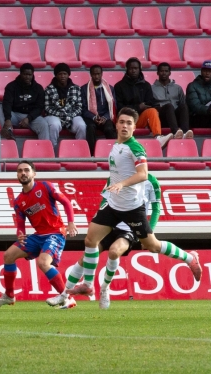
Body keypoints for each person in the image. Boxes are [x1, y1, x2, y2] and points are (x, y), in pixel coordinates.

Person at [63, 108, 201, 302]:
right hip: (113, 205)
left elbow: (143, 174)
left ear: (135, 127)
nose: (125, 126)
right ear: (116, 124)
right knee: (89, 240)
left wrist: (122, 184)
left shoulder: (135, 148)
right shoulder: (115, 146)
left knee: (152, 245)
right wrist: (111, 188)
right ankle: (87, 284)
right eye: (122, 122)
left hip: (132, 208)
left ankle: (190, 258)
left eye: (129, 123)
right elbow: (116, 173)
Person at [47, 174, 160, 310]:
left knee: (114, 251)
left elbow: (156, 209)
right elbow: (104, 201)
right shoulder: (115, 175)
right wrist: (99, 222)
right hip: (111, 226)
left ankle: (105, 289)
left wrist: (149, 233)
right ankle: (64, 295)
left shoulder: (151, 181)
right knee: (85, 257)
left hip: (131, 227)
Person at [0, 161, 78, 308]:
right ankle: (9, 296)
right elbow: (20, 223)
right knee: (8, 255)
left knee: (43, 263)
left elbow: (66, 202)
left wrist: (71, 222)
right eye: (19, 171)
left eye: (26, 170)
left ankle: (67, 297)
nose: (23, 173)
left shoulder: (46, 186)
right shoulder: (18, 201)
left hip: (55, 232)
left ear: (34, 173)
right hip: (38, 236)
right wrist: (21, 235)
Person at [113, 57, 173, 148]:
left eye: (136, 68)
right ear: (127, 69)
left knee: (152, 110)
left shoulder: (146, 85)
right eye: (131, 68)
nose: (133, 71)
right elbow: (120, 107)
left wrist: (148, 106)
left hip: (141, 118)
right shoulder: (119, 86)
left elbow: (150, 102)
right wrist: (138, 107)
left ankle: (158, 138)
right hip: (126, 119)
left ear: (139, 69)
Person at [0, 63, 50, 141]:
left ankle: (44, 150)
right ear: (21, 74)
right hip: (15, 115)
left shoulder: (38, 88)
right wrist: (8, 119)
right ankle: (8, 132)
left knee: (44, 125)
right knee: (0, 110)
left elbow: (39, 107)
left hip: (31, 117)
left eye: (29, 75)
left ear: (32, 75)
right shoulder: (11, 86)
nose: (27, 77)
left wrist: (28, 118)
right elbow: (7, 103)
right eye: (25, 74)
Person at [44, 63, 86, 147]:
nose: (62, 76)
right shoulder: (49, 89)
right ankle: (52, 150)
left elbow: (79, 107)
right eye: (60, 74)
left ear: (68, 75)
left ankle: (80, 150)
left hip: (72, 115)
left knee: (81, 125)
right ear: (56, 75)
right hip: (54, 115)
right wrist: (61, 115)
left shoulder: (76, 88)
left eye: (65, 74)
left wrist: (69, 115)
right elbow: (47, 107)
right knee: (54, 124)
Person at [80, 65, 117, 154]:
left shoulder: (110, 88)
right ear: (91, 74)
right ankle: (92, 154)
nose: (96, 76)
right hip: (91, 117)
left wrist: (105, 117)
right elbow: (83, 108)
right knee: (90, 128)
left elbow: (113, 107)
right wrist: (93, 117)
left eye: (98, 74)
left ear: (102, 74)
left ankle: (114, 153)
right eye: (94, 74)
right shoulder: (84, 89)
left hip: (105, 116)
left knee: (109, 128)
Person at [152, 62, 193, 140]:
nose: (164, 73)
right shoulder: (152, 88)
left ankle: (185, 133)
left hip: (175, 116)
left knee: (183, 106)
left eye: (166, 71)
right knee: (169, 106)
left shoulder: (177, 88)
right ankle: (175, 132)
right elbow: (151, 106)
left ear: (170, 73)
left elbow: (182, 103)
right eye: (161, 71)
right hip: (162, 117)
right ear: (157, 73)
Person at [186, 60, 211, 129]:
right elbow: (195, 107)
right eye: (205, 71)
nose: (207, 73)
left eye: (209, 71)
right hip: (197, 118)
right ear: (201, 72)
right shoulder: (192, 86)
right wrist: (208, 110)